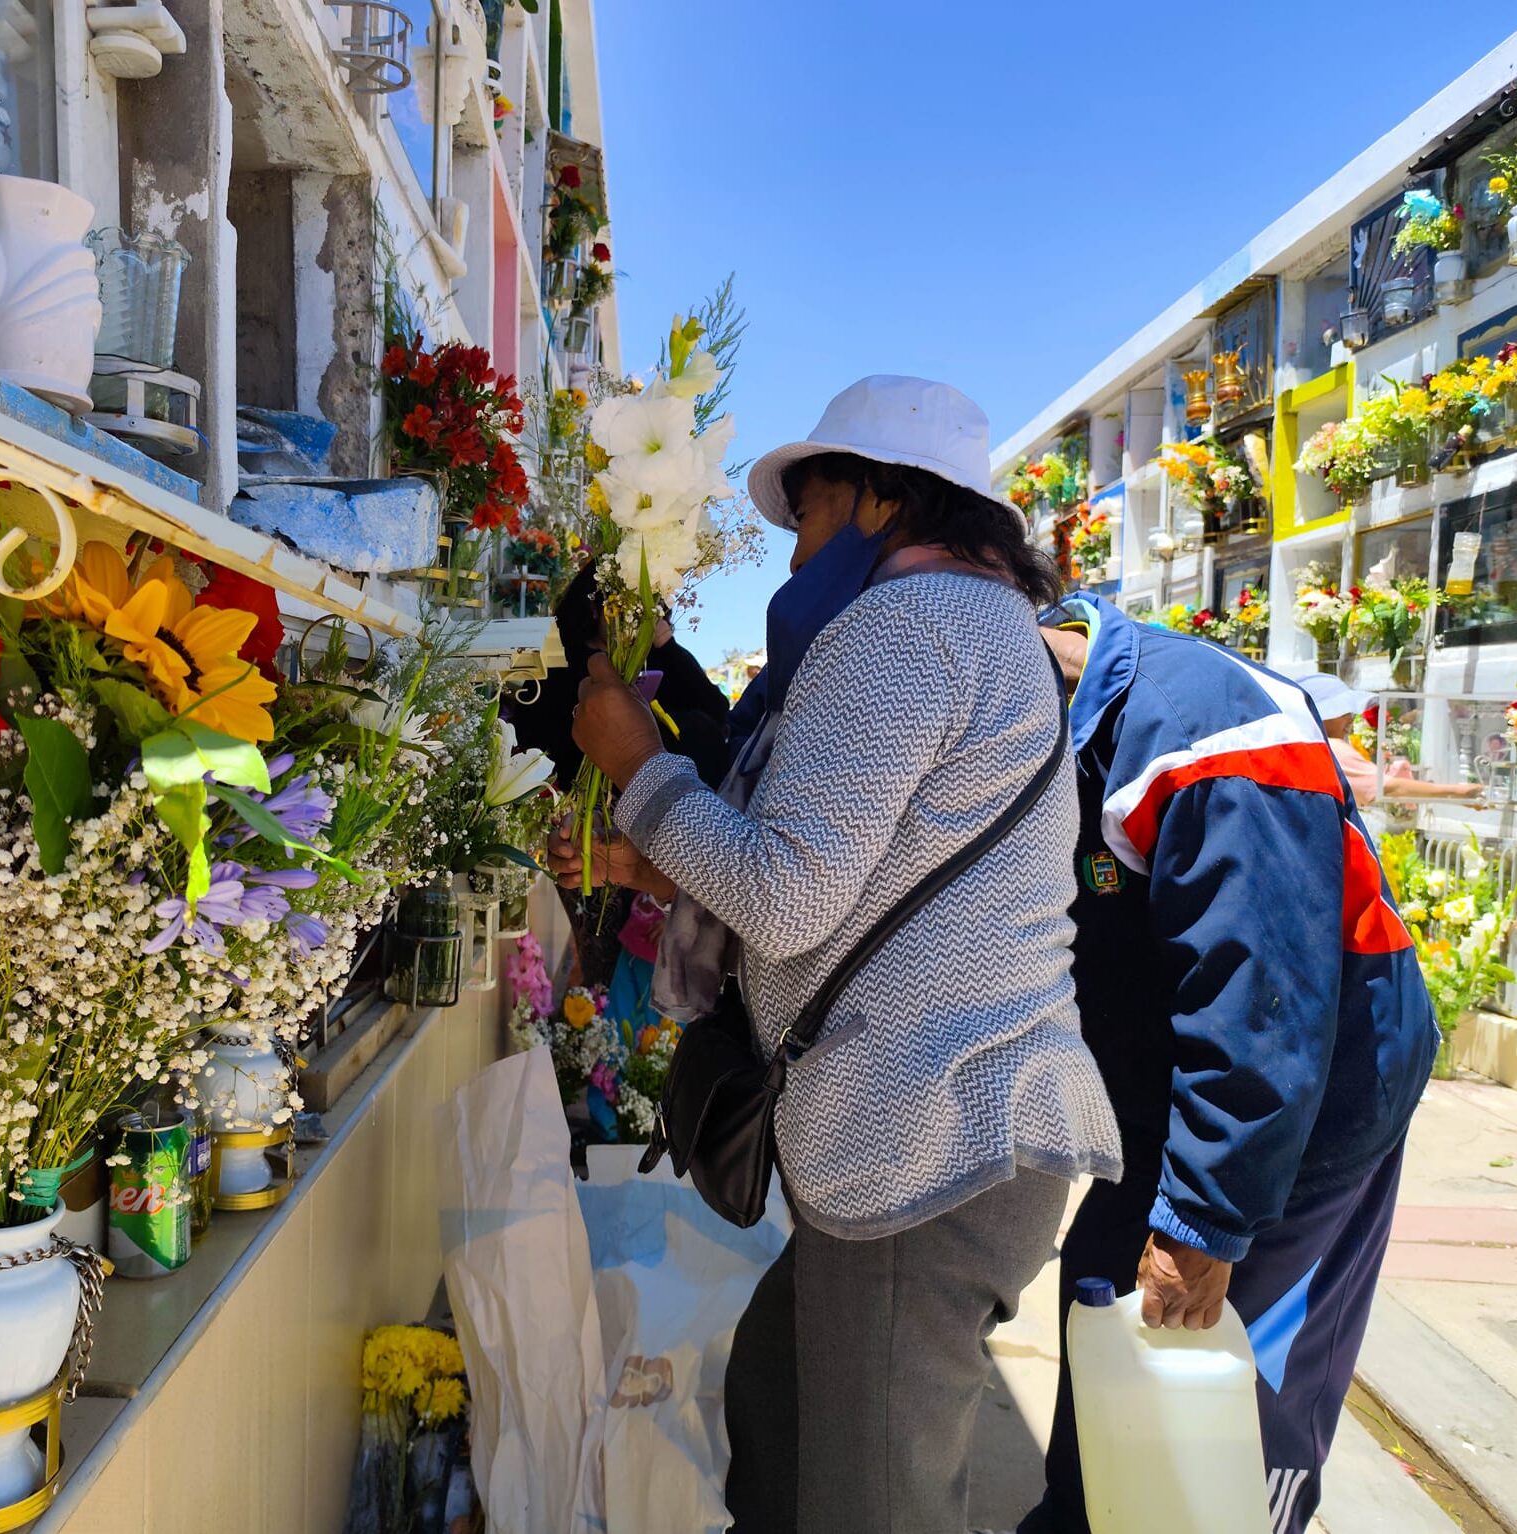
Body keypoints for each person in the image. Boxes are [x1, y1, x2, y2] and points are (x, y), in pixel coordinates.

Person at [556, 376, 1123, 1534]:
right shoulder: (977, 622)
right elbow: (855, 869)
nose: (794, 552)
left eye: (807, 519)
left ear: (878, 502)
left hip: (932, 1139)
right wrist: (647, 864)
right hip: (947, 1129)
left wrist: (633, 761)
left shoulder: (904, 628)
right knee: (778, 1406)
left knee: (869, 1503)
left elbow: (785, 890)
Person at [1014, 598, 1439, 1534]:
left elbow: (1265, 1001)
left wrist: (1201, 1221)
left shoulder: (1201, 726)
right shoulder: (1054, 710)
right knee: (1109, 1316)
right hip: (1181, 1105)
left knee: (1226, 1400)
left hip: (1311, 1110)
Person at [511, 563, 731, 989]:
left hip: (636, 836)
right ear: (597, 606)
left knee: (615, 965)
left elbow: (714, 708)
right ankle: (582, 1025)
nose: (638, 620)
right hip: (580, 829)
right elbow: (534, 737)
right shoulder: (559, 657)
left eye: (650, 608)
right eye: (629, 607)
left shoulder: (647, 661)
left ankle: (588, 1032)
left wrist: (666, 644)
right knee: (587, 953)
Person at [1296, 672, 1480, 808]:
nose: (1351, 717)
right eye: (1342, 711)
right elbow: (1387, 788)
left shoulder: (1297, 746)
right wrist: (1460, 793)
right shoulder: (1332, 749)